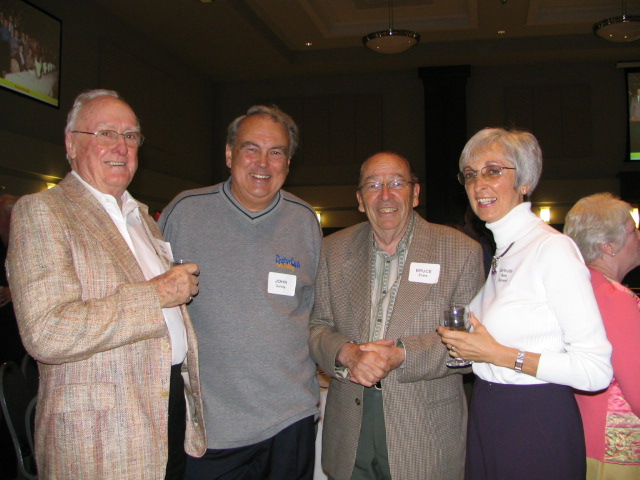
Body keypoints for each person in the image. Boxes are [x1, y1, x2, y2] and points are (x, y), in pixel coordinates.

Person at [6, 89, 206, 480]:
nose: (121, 146)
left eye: (130, 136)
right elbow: (47, 332)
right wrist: (156, 295)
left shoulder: (142, 219)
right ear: (71, 144)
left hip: (166, 413)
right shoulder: (43, 211)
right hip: (98, 436)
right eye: (106, 133)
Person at [438, 127, 613, 480]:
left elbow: (596, 371)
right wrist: (473, 350)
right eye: (470, 175)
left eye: (493, 171)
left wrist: (499, 355)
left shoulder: (552, 249)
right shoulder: (506, 250)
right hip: (490, 410)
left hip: (534, 421)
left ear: (525, 181)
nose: (478, 184)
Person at [159, 105, 321, 480]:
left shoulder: (304, 220)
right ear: (230, 154)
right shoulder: (185, 212)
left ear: (288, 162)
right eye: (251, 148)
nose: (263, 163)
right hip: (211, 427)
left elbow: (311, 309)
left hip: (290, 418)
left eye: (276, 152)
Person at [309, 151, 485, 480]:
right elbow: (317, 326)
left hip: (424, 432)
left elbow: (472, 345)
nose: (386, 195)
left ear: (415, 193)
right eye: (373, 185)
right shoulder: (332, 250)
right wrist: (347, 354)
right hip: (350, 429)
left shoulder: (461, 252)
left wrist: (403, 354)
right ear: (360, 199)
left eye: (396, 183)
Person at [564, 192, 640, 479]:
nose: (638, 237)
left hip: (581, 435)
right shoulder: (615, 297)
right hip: (618, 447)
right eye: (633, 231)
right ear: (608, 246)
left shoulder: (577, 289)